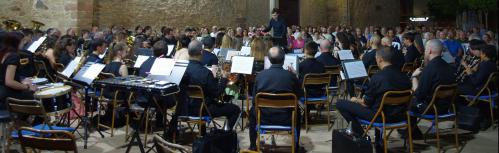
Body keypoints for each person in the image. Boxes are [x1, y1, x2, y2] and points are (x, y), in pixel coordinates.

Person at [336, 47, 411, 152]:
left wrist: (356, 100)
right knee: (378, 104)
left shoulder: (378, 77)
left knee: (341, 104)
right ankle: (378, 141)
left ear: (380, 59)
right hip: (401, 116)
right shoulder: (404, 76)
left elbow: (366, 104)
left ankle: (363, 136)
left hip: (381, 116)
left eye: (376, 58)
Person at [248, 47, 302, 151]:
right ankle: (296, 146)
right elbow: (299, 96)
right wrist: (295, 76)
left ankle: (253, 146)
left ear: (268, 58)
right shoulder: (291, 76)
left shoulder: (260, 76)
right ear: (284, 59)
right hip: (287, 118)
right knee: (298, 111)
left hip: (263, 117)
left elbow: (255, 100)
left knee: (252, 110)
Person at [183, 40, 241, 130]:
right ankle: (224, 134)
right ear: (201, 52)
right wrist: (224, 78)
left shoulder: (182, 69)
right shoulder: (205, 72)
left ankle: (202, 133)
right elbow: (217, 93)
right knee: (235, 109)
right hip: (204, 109)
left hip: (184, 108)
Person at [407, 39, 457, 138]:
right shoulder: (449, 67)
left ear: (429, 50)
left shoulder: (429, 69)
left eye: (425, 49)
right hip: (447, 107)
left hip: (431, 108)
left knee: (407, 102)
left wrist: (414, 78)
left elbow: (419, 95)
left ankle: (413, 133)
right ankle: (413, 131)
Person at [0, 32, 37, 110]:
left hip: (2, 91)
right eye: (22, 41)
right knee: (39, 99)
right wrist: (27, 87)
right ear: (16, 42)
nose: (24, 43)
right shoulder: (13, 56)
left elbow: (4, 75)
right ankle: (21, 120)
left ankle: (21, 120)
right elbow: (9, 82)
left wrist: (21, 81)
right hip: (8, 94)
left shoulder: (3, 53)